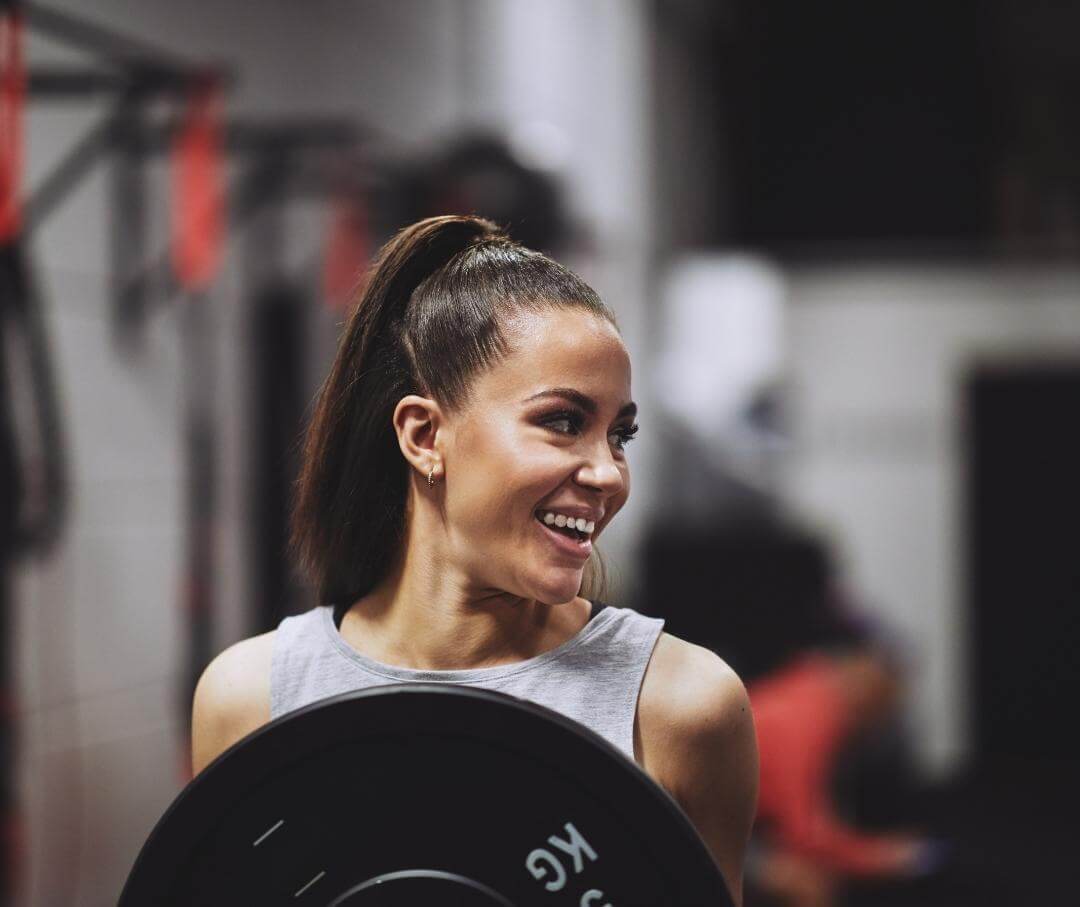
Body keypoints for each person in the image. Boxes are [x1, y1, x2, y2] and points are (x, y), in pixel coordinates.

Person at [190, 214, 758, 904]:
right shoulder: (251, 698)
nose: (608, 473)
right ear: (425, 435)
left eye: (619, 434)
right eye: (562, 421)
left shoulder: (679, 706)